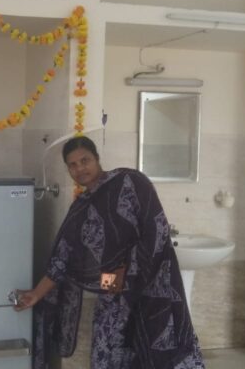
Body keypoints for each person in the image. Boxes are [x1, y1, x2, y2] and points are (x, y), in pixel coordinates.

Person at [15, 136, 205, 369]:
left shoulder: (130, 181)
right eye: (72, 165)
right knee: (107, 345)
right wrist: (37, 293)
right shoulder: (81, 206)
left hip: (153, 284)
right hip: (112, 286)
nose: (79, 169)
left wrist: (128, 268)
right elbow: (62, 257)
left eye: (85, 160)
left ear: (97, 158)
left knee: (157, 345)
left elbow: (157, 228)